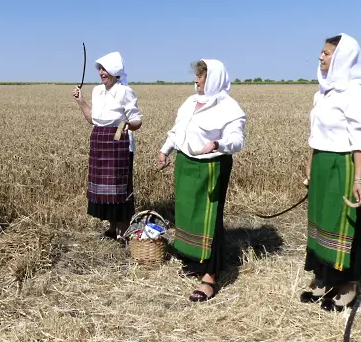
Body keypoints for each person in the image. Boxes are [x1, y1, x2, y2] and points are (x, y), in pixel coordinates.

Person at [157, 59, 246, 302]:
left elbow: (237, 140)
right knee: (187, 215)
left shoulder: (229, 107)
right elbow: (178, 131)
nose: (196, 80)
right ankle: (195, 261)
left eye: (201, 76)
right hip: (185, 164)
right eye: (196, 75)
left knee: (209, 219)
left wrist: (218, 144)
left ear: (214, 78)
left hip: (211, 166)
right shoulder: (189, 102)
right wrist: (165, 150)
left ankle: (210, 277)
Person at [301, 33, 361, 311]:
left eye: (327, 53)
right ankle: (323, 278)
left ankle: (347, 286)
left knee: (342, 222)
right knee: (321, 221)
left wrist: (359, 179)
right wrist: (311, 162)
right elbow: (315, 134)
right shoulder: (323, 92)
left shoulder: (354, 93)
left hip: (343, 164)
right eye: (321, 52)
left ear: (342, 58)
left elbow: (360, 141)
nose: (320, 57)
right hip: (322, 163)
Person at [72, 52, 143, 239]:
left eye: (105, 69)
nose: (101, 73)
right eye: (100, 69)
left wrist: (128, 124)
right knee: (105, 188)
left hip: (118, 142)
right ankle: (112, 228)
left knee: (120, 187)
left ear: (115, 71)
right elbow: (92, 119)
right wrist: (81, 101)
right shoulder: (97, 91)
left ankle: (124, 229)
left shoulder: (125, 91)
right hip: (99, 140)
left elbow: (137, 120)